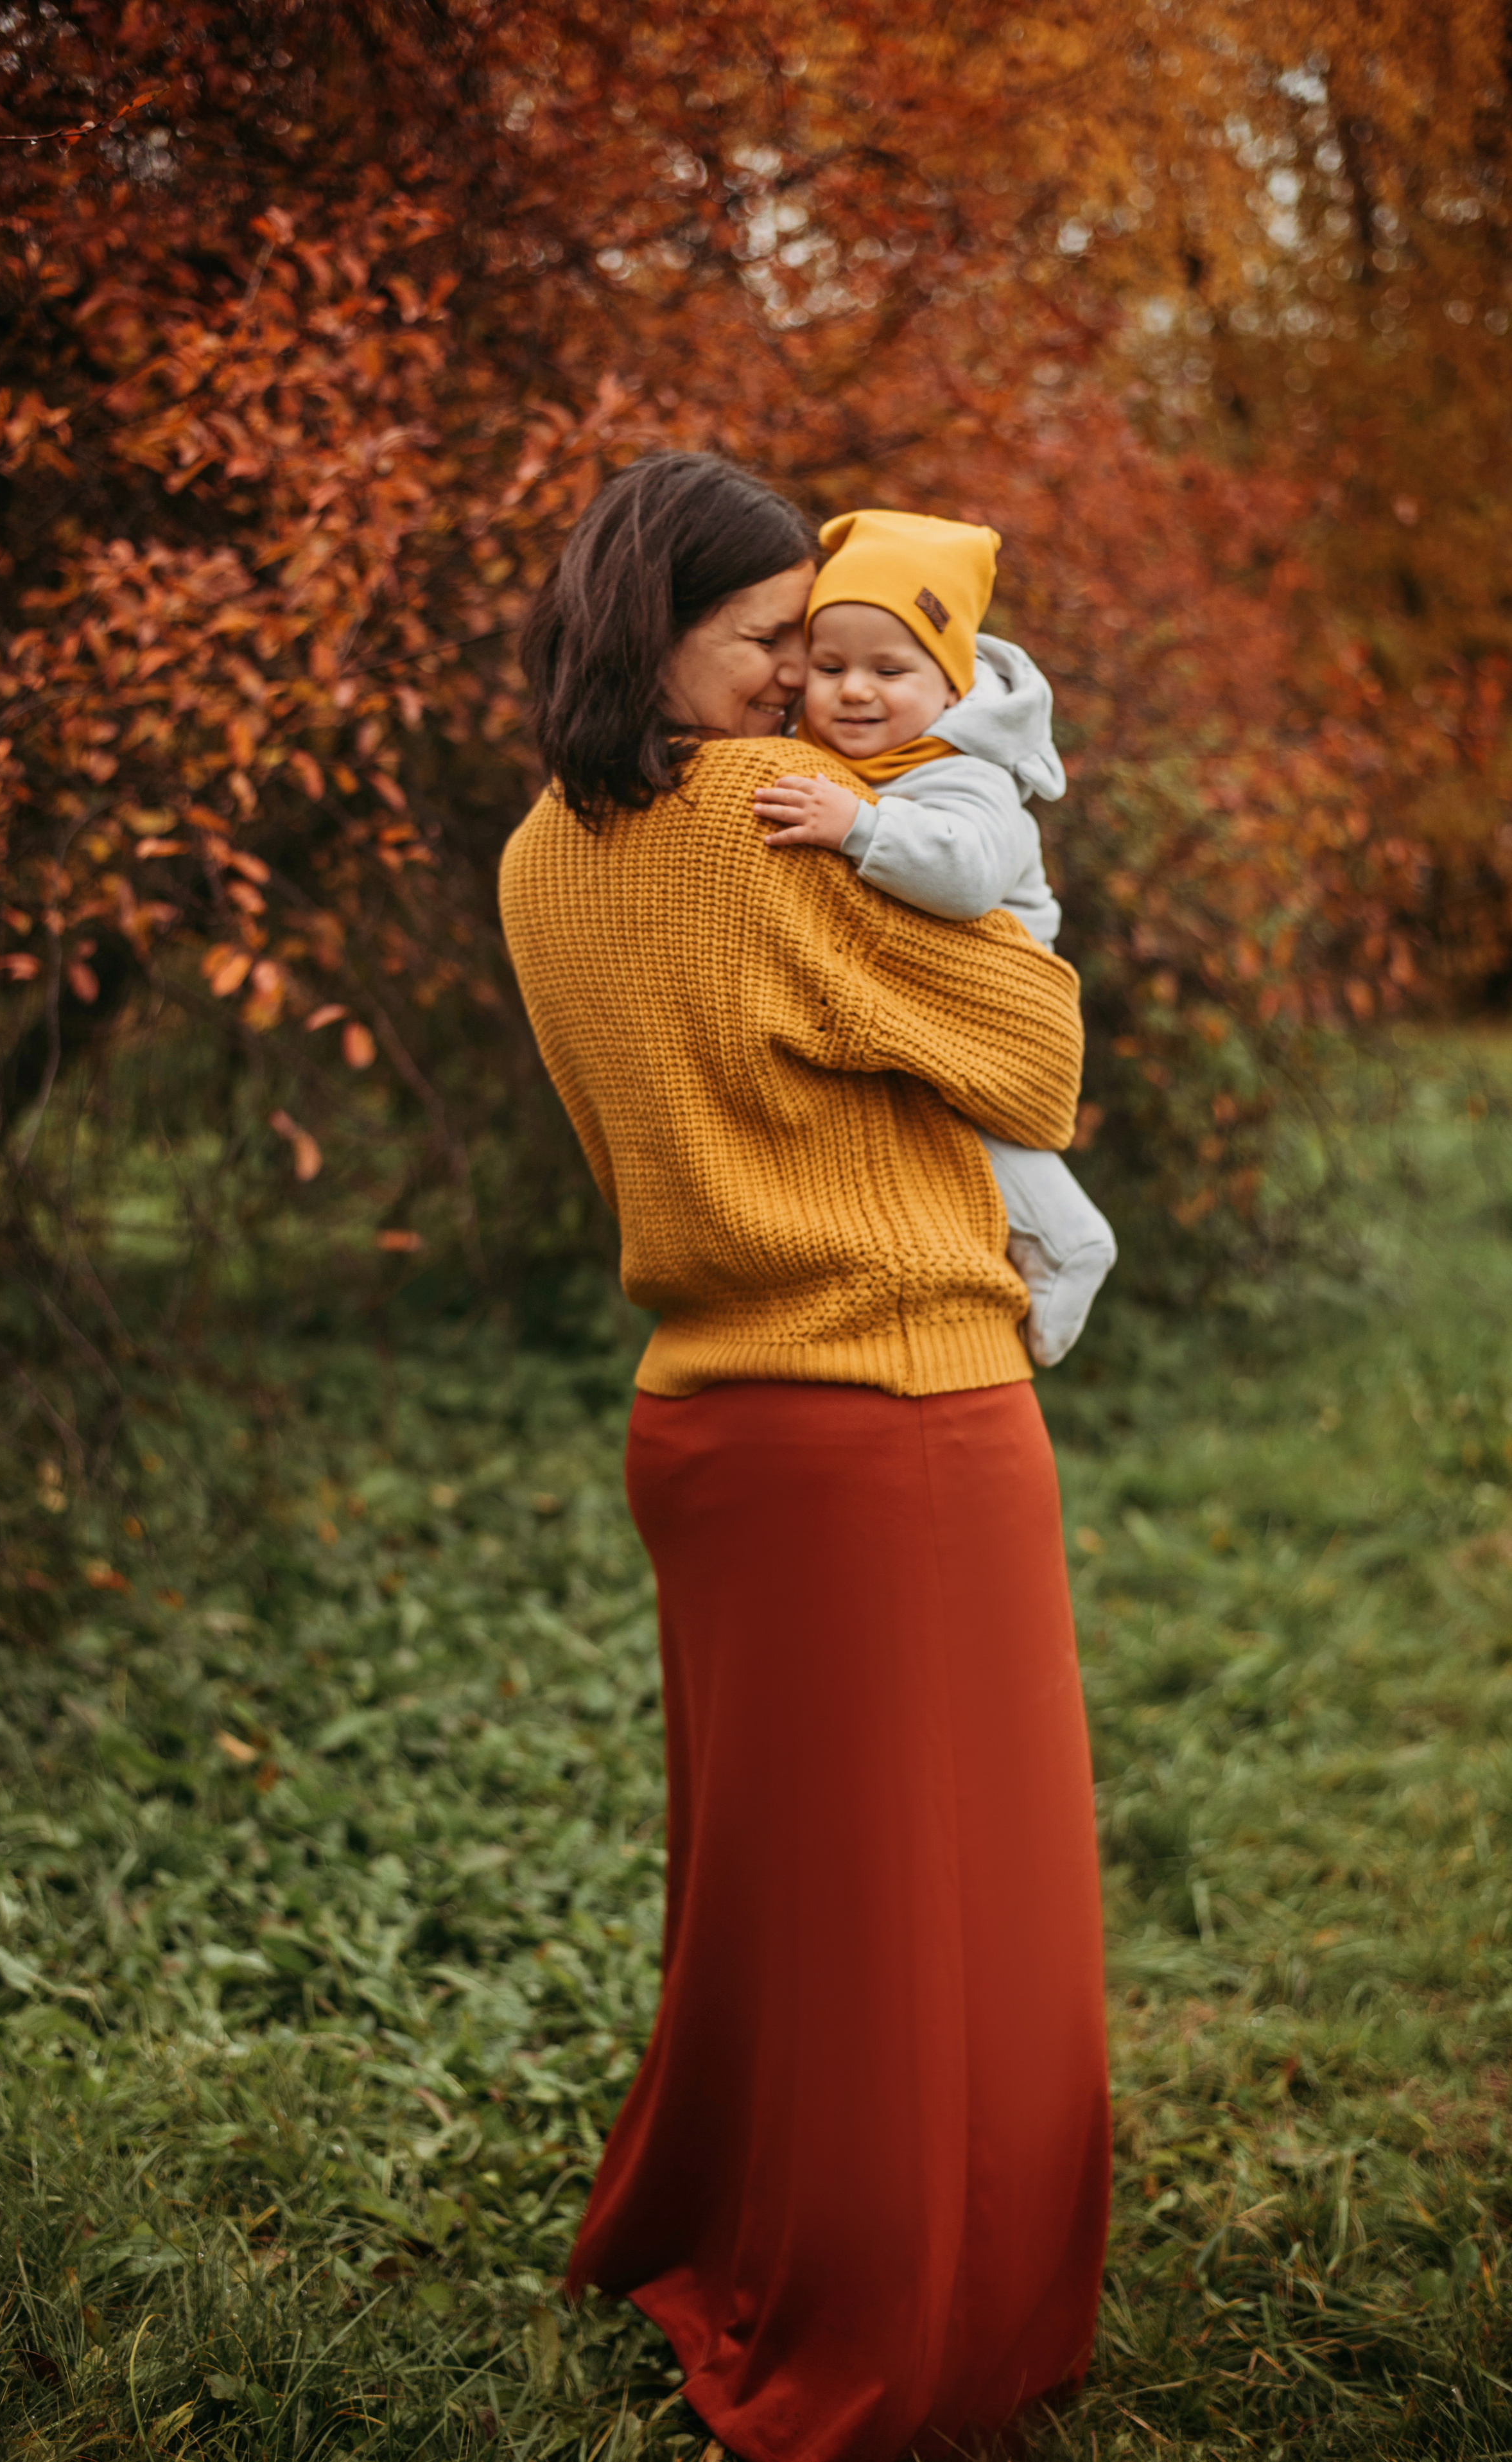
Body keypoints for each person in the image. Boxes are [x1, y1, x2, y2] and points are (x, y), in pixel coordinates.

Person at [501, 451, 1110, 2462]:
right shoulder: (775, 835)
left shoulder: (534, 857)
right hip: (897, 1411)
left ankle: (728, 2220)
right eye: (769, 641)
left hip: (703, 1415)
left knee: (781, 1904)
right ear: (657, 628)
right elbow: (1032, 1060)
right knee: (947, 1921)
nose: (799, 687)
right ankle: (898, 2321)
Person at [753, 507, 1117, 1368]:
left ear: (951, 687)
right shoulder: (862, 757)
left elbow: (967, 874)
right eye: (830, 666)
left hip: (994, 994)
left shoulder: (962, 769)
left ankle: (1070, 1240)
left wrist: (859, 828)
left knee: (978, 1135)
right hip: (915, 989)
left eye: (890, 668)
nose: (854, 690)